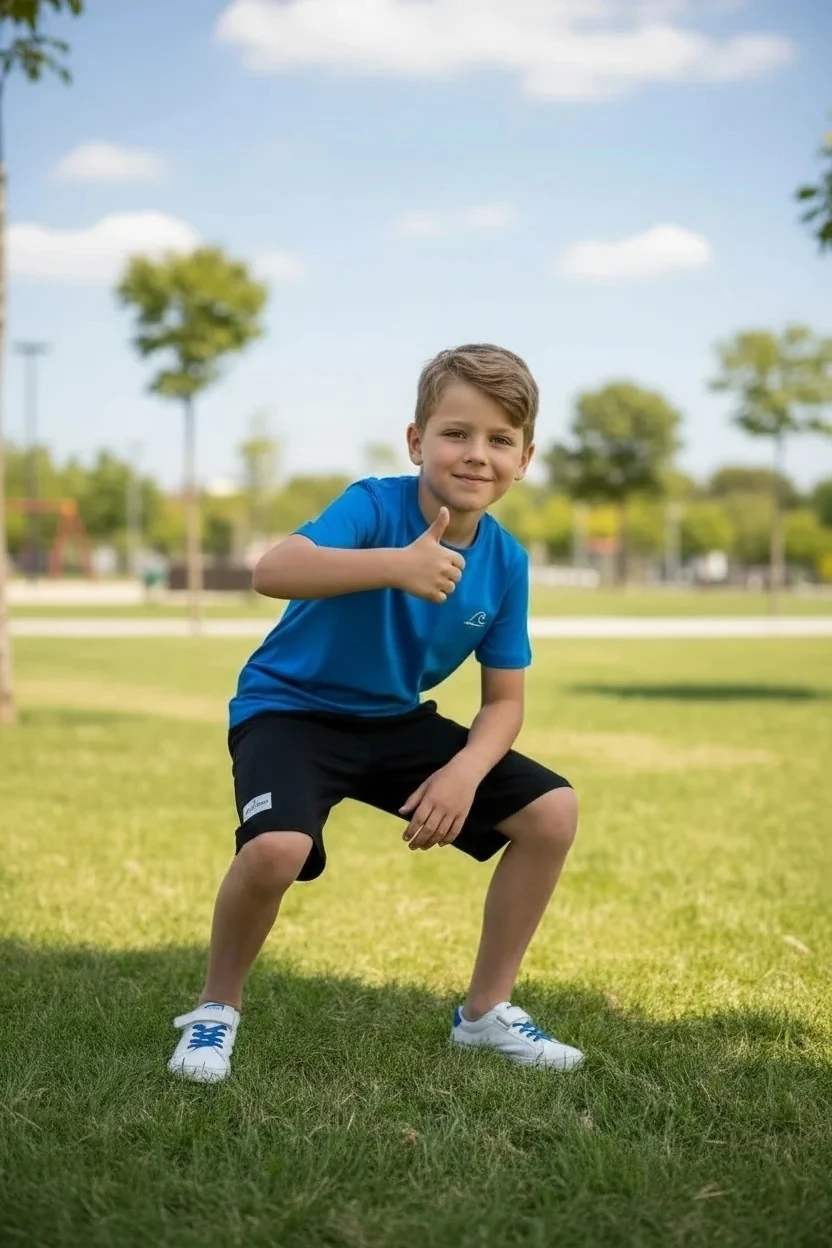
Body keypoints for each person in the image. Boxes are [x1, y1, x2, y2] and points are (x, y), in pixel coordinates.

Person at [168, 344, 582, 1082]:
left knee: (551, 812)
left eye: (499, 440)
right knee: (275, 851)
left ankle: (485, 1014)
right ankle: (214, 1010)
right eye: (456, 433)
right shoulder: (373, 505)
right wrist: (396, 564)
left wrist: (462, 773)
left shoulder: (507, 561)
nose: (476, 454)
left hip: (393, 720)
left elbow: (505, 702)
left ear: (524, 459)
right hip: (290, 709)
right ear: (417, 441)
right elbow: (273, 570)